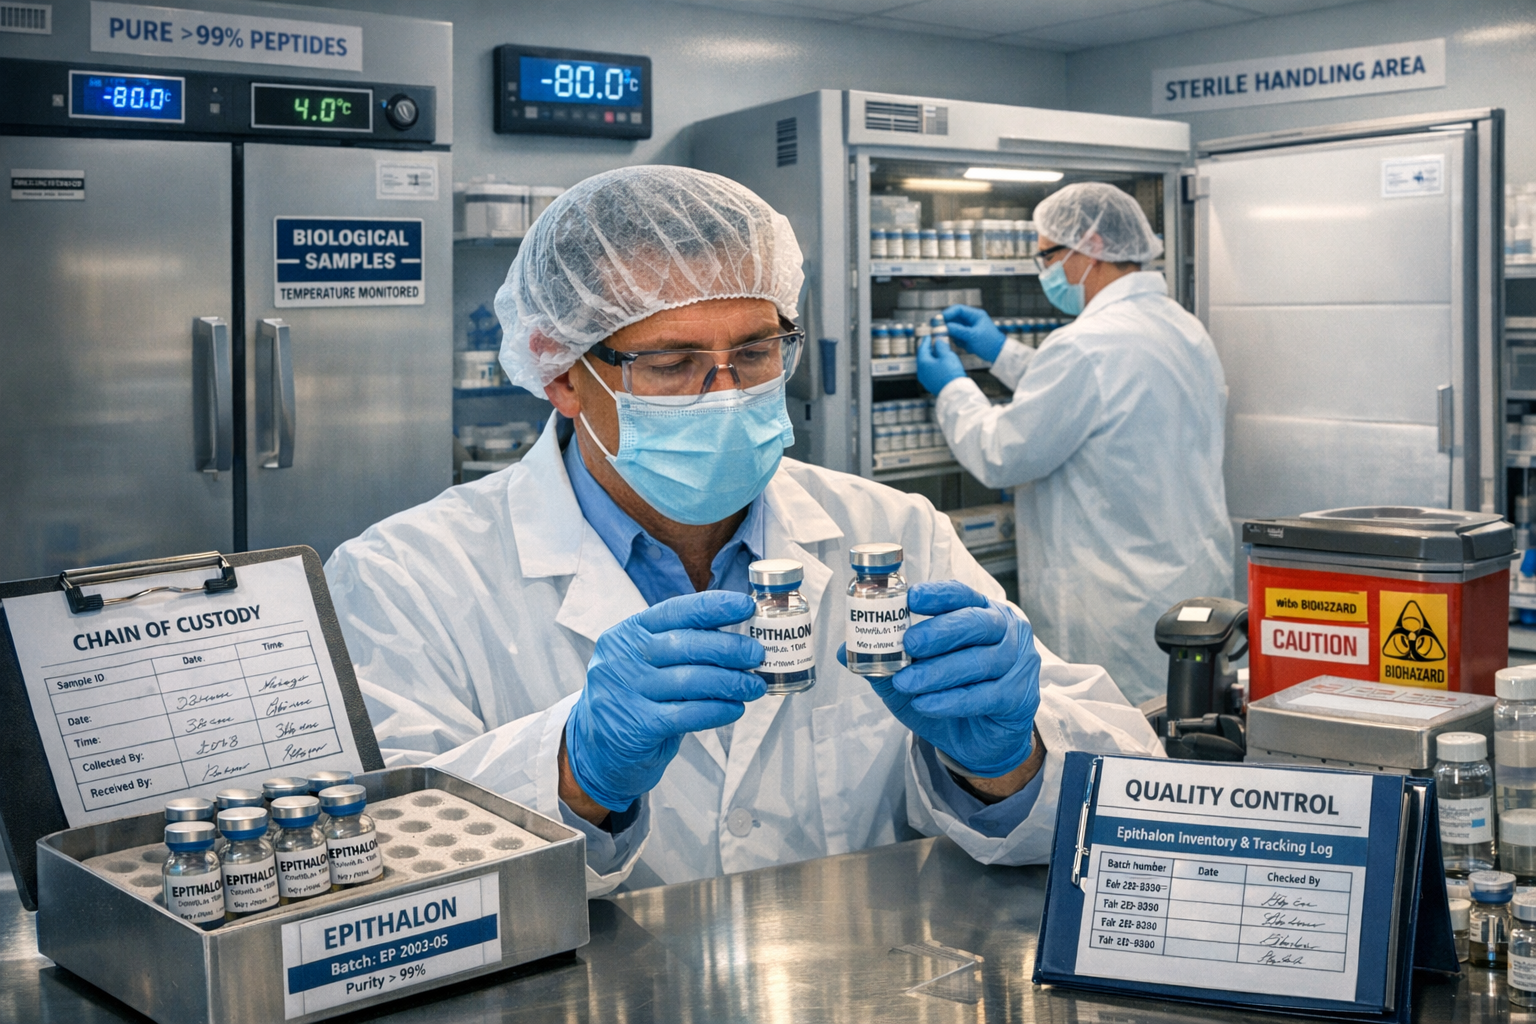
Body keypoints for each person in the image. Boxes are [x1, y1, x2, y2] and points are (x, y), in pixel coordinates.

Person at [325, 167, 1161, 897]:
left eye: (757, 352)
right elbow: (362, 863)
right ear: (561, 374)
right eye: (670, 362)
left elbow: (1123, 803)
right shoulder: (407, 577)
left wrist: (1008, 766)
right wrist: (571, 775)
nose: (724, 393)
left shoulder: (889, 530)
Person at [914, 182, 1232, 706]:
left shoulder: (1086, 345)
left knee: (1116, 750)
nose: (1044, 271)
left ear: (1090, 247)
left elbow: (1002, 452)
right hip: (1186, 581)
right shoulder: (1182, 327)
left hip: (1114, 604)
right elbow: (1090, 400)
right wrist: (1002, 354)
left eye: (1047, 255)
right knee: (1183, 728)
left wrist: (952, 388)